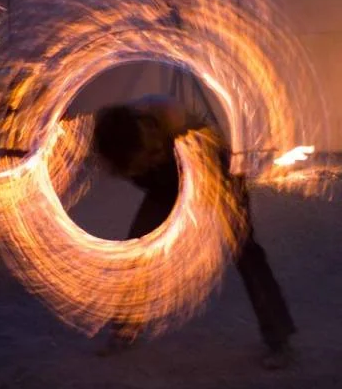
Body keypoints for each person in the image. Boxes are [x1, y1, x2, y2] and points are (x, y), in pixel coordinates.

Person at [92, 93, 297, 369]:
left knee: (245, 251)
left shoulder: (168, 116)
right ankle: (125, 330)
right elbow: (141, 174)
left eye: (142, 157)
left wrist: (202, 213)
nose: (138, 166)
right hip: (166, 181)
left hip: (213, 168)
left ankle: (279, 340)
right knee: (137, 249)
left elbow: (207, 168)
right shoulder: (118, 148)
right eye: (135, 164)